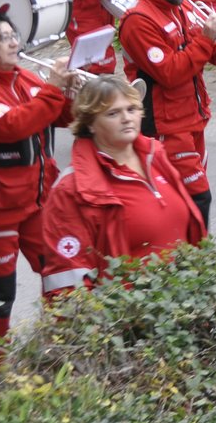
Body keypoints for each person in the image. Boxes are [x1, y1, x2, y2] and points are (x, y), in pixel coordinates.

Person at [40, 75, 206, 299]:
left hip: (182, 309)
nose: (127, 118)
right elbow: (67, 289)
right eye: (113, 113)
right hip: (130, 320)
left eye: (131, 109)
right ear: (90, 123)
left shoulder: (155, 155)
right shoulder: (71, 190)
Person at [0, 6, 75, 347]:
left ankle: (67, 345)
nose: (13, 42)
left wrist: (72, 93)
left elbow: (59, 115)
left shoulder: (24, 77)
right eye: (1, 38)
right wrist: (54, 90)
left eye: (13, 34)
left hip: (35, 202)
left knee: (63, 270)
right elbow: (12, 125)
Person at [118, 0, 216, 227]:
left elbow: (209, 55)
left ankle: (181, 260)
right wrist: (206, 39)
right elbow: (170, 72)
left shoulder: (180, 7)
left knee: (182, 200)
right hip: (166, 126)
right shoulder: (138, 20)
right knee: (197, 198)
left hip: (192, 118)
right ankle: (193, 263)